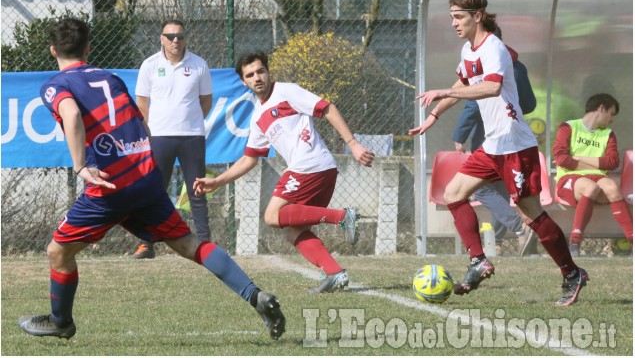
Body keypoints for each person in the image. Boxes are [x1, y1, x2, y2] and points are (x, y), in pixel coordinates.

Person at [19, 18, 285, 340]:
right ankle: (256, 296)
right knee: (190, 244)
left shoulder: (55, 85)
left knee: (58, 252)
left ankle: (61, 321)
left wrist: (80, 167)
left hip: (109, 187)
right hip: (145, 179)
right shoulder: (111, 78)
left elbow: (72, 115)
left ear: (52, 51)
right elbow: (140, 124)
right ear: (88, 49)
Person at [408, 0, 587, 307]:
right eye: (451, 17)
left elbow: (491, 86)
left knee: (531, 213)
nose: (454, 23)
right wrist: (434, 115)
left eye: (459, 16)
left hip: (515, 145)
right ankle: (478, 261)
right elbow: (463, 86)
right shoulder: (468, 50)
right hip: (493, 145)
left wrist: (441, 92)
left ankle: (572, 273)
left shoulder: (495, 48)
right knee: (454, 193)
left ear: (477, 16)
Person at [193, 51, 375, 293]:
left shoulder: (286, 91)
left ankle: (343, 217)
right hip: (318, 171)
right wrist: (217, 181)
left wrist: (353, 144)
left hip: (310, 165)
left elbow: (327, 108)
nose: (257, 77)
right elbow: (249, 159)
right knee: (293, 232)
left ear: (268, 72)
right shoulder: (258, 117)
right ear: (243, 81)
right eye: (250, 75)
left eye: (260, 71)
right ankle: (335, 273)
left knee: (271, 215)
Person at [130, 19, 212, 259]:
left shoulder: (199, 65)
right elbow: (142, 103)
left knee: (197, 191)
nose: (175, 40)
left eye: (180, 36)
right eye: (170, 36)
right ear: (161, 38)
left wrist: (191, 120)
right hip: (159, 137)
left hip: (192, 137)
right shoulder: (149, 65)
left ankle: (206, 245)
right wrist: (149, 132)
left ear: (186, 38)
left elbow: (206, 100)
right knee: (154, 192)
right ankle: (147, 244)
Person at [452, 26, 536, 256]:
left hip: (491, 138)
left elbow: (472, 104)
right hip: (516, 135)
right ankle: (498, 242)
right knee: (500, 190)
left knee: (483, 190)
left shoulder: (484, 64)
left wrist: (460, 135)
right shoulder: (517, 65)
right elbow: (529, 104)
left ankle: (521, 228)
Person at [553, 93, 633, 256]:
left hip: (598, 178)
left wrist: (579, 157)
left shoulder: (608, 134)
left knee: (612, 186)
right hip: (569, 179)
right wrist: (595, 162)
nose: (612, 120)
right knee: (590, 187)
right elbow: (562, 159)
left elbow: (612, 162)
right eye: (611, 114)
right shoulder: (568, 127)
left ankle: (632, 238)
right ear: (601, 108)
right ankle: (574, 243)